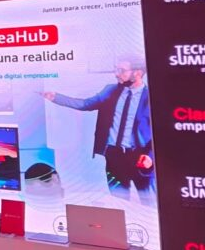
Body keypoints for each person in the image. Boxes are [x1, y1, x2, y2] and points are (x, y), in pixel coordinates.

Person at [43, 56, 154, 201]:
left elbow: (161, 132)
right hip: (114, 156)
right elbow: (85, 104)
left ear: (138, 73)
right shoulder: (111, 90)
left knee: (149, 204)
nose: (116, 74)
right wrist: (55, 97)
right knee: (119, 201)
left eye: (121, 70)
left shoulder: (151, 96)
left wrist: (150, 156)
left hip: (141, 157)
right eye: (116, 69)